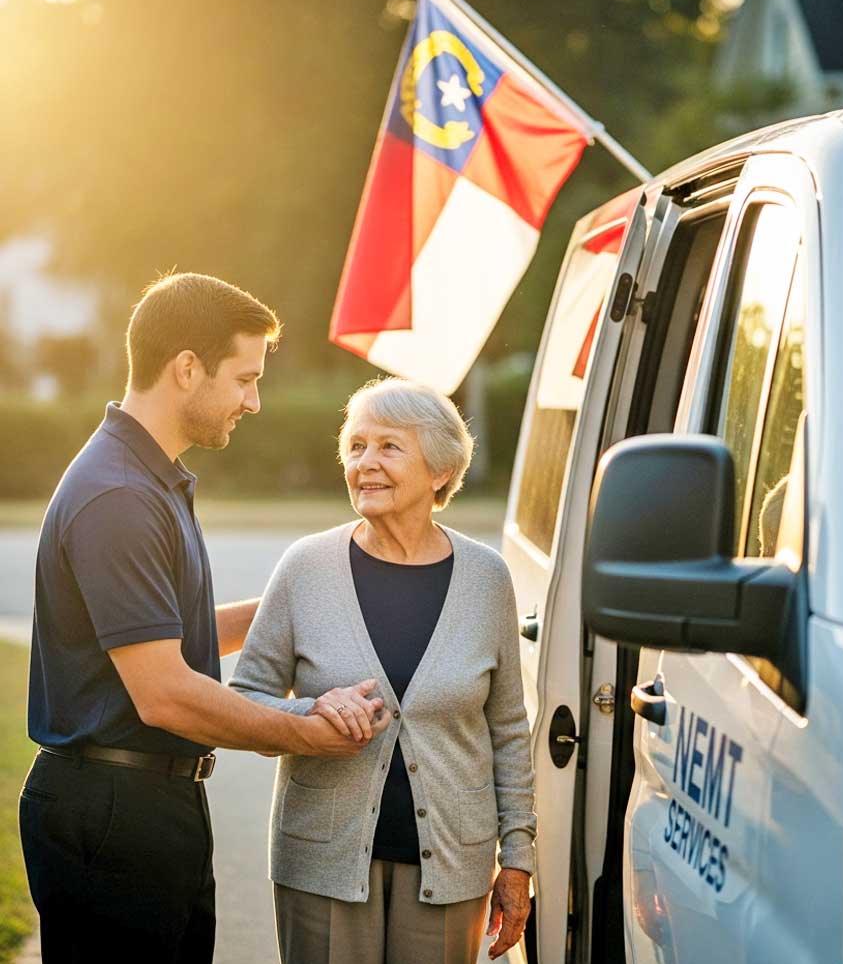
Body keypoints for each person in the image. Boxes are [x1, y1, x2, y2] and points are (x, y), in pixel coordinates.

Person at [19, 272, 390, 964]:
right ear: (187, 368)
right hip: (115, 813)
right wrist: (305, 732)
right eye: (245, 378)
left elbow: (164, 636)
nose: (254, 400)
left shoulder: (144, 477)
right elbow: (164, 693)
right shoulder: (119, 496)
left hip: (145, 805)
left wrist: (309, 595)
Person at [231, 377, 536, 964]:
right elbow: (245, 699)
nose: (365, 463)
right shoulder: (304, 567)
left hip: (453, 871)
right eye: (356, 446)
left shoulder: (486, 578)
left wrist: (518, 856)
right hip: (320, 865)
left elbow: (508, 730)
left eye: (389, 447)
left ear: (440, 471)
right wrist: (310, 710)